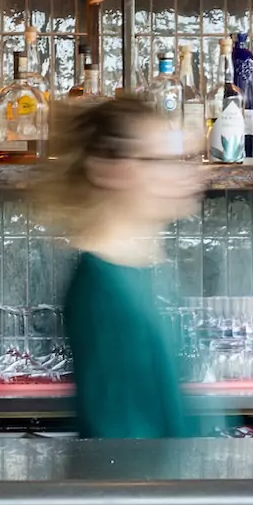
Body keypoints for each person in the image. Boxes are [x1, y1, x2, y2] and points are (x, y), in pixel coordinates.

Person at [38, 94, 207, 438]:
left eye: (186, 159)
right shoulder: (106, 290)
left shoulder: (137, 272)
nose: (187, 174)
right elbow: (125, 441)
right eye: (165, 161)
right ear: (110, 169)